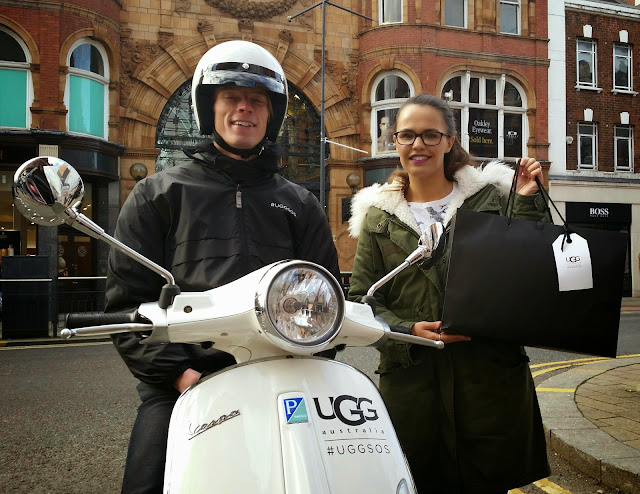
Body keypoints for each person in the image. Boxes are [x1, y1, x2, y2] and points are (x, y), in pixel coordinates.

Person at [105, 40, 340, 494]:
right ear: (208, 107)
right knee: (147, 483)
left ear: (271, 114)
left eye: (257, 100)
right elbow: (127, 303)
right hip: (183, 381)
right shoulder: (158, 193)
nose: (244, 109)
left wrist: (312, 355)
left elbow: (325, 296)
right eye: (231, 96)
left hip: (282, 373)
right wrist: (179, 375)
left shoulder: (300, 202)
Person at [347, 93, 551, 494]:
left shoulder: (491, 198)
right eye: (407, 135)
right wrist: (407, 331)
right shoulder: (377, 216)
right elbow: (361, 302)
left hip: (487, 379)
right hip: (413, 383)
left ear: (449, 141)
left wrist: (527, 200)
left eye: (430, 135)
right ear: (395, 141)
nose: (418, 144)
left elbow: (529, 270)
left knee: (486, 482)